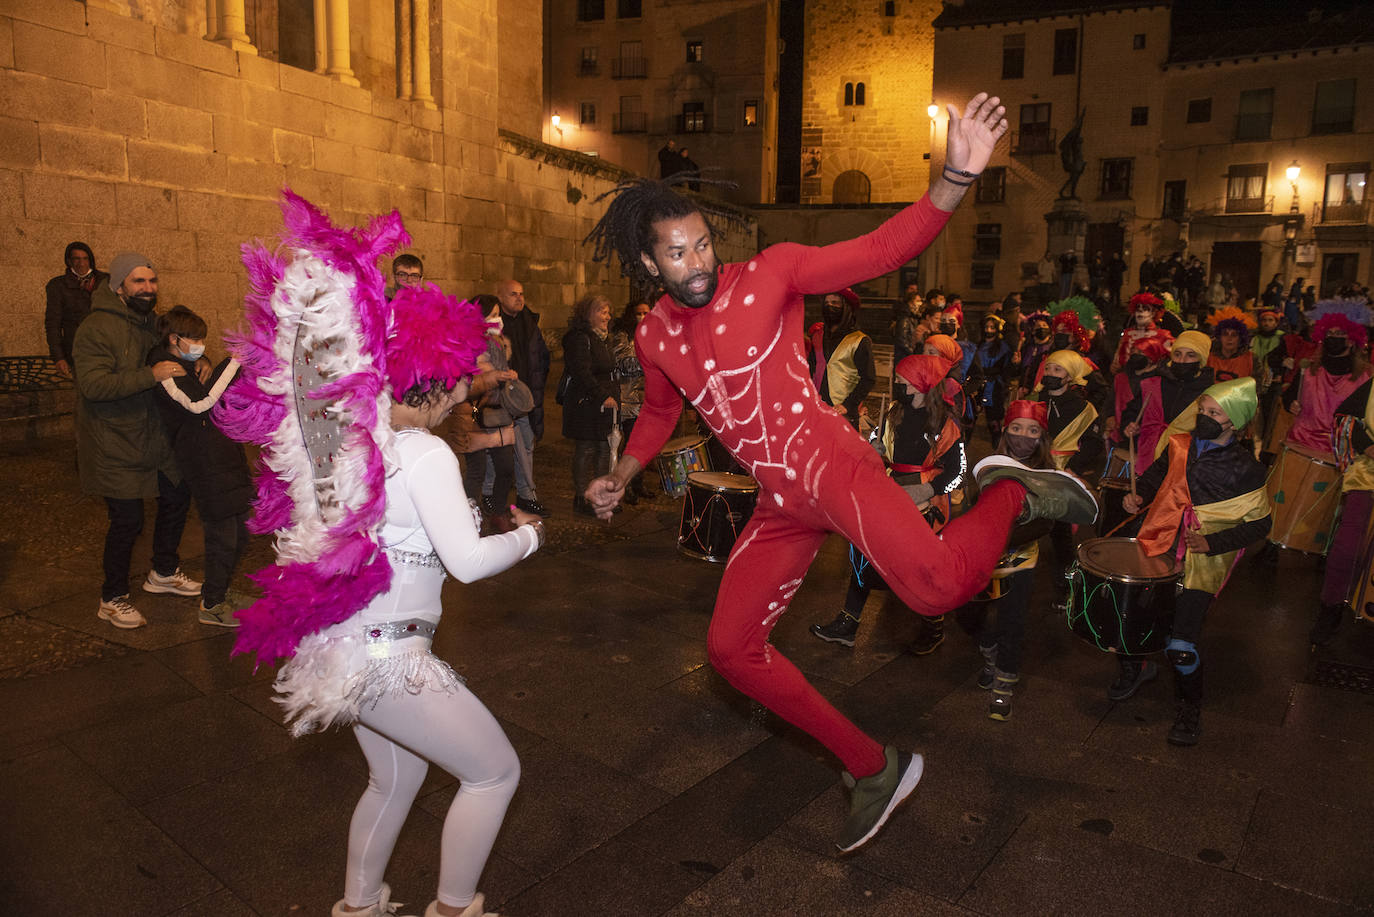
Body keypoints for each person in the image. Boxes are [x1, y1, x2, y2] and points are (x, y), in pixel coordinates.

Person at [582, 93, 1097, 852]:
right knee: (730, 650)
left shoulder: (773, 272)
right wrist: (622, 474)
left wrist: (954, 177)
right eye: (677, 253)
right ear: (647, 262)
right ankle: (871, 765)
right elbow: (660, 415)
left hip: (830, 458)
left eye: (701, 244)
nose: (696, 262)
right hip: (780, 498)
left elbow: (881, 249)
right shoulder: (655, 334)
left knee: (938, 589)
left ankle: (1011, 488)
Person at [273, 288, 543, 917]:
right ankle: (452, 911)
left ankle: (360, 906)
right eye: (466, 371)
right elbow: (468, 563)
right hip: (390, 657)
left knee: (395, 778)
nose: (471, 382)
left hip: (345, 652)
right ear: (444, 377)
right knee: (494, 773)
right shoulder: (424, 453)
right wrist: (530, 536)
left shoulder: (357, 443)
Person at [1119, 378, 1271, 745]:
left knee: (1180, 644)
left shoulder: (1246, 469)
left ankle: (1190, 708)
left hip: (1203, 561)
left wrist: (1211, 541)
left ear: (1233, 422)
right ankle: (1135, 669)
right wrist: (1137, 497)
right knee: (1132, 618)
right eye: (1202, 410)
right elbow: (1156, 477)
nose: (1203, 417)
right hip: (1160, 542)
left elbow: (1262, 524)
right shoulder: (1179, 444)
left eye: (1213, 413)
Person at [73, 252, 201, 630]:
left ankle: (162, 572)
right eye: (138, 281)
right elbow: (94, 385)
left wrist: (201, 362)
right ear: (119, 286)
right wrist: (150, 374)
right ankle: (112, 597)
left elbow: (176, 352)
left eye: (152, 281)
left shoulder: (153, 325)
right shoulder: (96, 328)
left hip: (155, 437)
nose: (148, 288)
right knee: (127, 521)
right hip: (114, 441)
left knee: (177, 498)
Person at [810, 355, 967, 651]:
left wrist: (928, 489)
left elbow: (958, 472)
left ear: (921, 385)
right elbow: (877, 442)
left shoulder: (946, 424)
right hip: (888, 492)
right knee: (861, 552)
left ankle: (933, 627)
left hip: (923, 502)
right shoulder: (894, 412)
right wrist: (874, 447)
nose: (896, 385)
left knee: (920, 567)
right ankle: (849, 621)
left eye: (902, 381)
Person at [147, 305, 251, 627]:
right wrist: (233, 363)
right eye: (195, 339)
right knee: (222, 535)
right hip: (202, 462)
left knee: (240, 532)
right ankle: (212, 604)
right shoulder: (165, 369)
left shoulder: (189, 365)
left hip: (224, 454)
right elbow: (198, 405)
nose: (201, 345)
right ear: (175, 338)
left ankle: (219, 590)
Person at [953, 400, 1056, 720]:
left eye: (1032, 430)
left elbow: (1047, 521)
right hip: (985, 558)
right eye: (1016, 428)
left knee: (1012, 623)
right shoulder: (988, 466)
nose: (1023, 436)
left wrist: (1004, 537)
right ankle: (990, 653)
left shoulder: (1048, 474)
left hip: (1021, 560)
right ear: (1005, 430)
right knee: (969, 614)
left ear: (1042, 436)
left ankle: (1003, 685)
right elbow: (975, 507)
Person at [448, 295, 520, 534]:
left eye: (497, 313)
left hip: (498, 414)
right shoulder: (463, 343)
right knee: (476, 472)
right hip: (471, 415)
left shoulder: (499, 342)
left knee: (506, 468)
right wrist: (492, 378)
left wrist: (509, 377)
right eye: (491, 314)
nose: (496, 319)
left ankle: (497, 512)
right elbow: (461, 385)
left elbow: (500, 371)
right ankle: (468, 518)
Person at [1313, 375, 1374, 644]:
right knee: (1347, 547)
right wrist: (1369, 446)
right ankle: (1331, 607)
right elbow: (1344, 417)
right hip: (1369, 474)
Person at [492, 279, 551, 517]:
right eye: (513, 294)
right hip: (501, 398)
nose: (519, 298)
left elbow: (542, 358)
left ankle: (526, 496)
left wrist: (536, 386)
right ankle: (495, 498)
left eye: (522, 293)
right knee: (498, 453)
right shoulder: (494, 325)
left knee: (526, 448)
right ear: (501, 297)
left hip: (525, 398)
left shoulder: (530, 323)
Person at [1120, 331, 1216, 475]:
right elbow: (1132, 411)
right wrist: (1129, 426)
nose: (1182, 360)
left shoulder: (1210, 393)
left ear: (1201, 359)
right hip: (1147, 459)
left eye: (1191, 355)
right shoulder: (1153, 384)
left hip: (1185, 465)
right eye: (1177, 354)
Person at [562, 293, 619, 516]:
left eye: (607, 311)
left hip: (606, 403)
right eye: (601, 311)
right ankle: (582, 496)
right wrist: (601, 395)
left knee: (605, 450)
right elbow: (581, 372)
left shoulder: (604, 338)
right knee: (585, 450)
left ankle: (601, 496)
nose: (606, 316)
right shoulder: (580, 338)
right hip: (586, 403)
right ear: (588, 314)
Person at [808, 288, 875, 430]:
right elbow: (809, 368)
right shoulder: (818, 336)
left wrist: (848, 404)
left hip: (843, 411)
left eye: (835, 303)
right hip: (817, 406)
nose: (830, 306)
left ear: (846, 307)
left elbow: (868, 378)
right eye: (826, 303)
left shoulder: (859, 340)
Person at [611, 300, 654, 504]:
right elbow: (626, 364)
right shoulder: (623, 336)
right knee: (627, 446)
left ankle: (638, 484)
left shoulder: (652, 334)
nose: (643, 317)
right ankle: (624, 486)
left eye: (647, 312)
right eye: (639, 313)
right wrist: (652, 358)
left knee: (643, 445)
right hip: (628, 399)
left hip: (647, 400)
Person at [45, 241, 107, 378]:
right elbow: (53, 324)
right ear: (69, 261)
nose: (81, 263)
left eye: (85, 259)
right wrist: (58, 357)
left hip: (106, 349)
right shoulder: (58, 286)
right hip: (78, 351)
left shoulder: (105, 281)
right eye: (76, 259)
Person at [969, 313, 1014, 442]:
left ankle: (997, 446)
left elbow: (1005, 369)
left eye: (992, 327)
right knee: (971, 417)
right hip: (978, 385)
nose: (989, 330)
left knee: (993, 420)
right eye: (987, 327)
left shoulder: (1003, 347)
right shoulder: (978, 345)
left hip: (994, 387)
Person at [1205, 308, 1256, 383]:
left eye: (1234, 335)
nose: (1229, 338)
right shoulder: (1209, 357)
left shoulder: (1251, 359)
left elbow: (1257, 388)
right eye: (1225, 334)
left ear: (1240, 338)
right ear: (1219, 337)